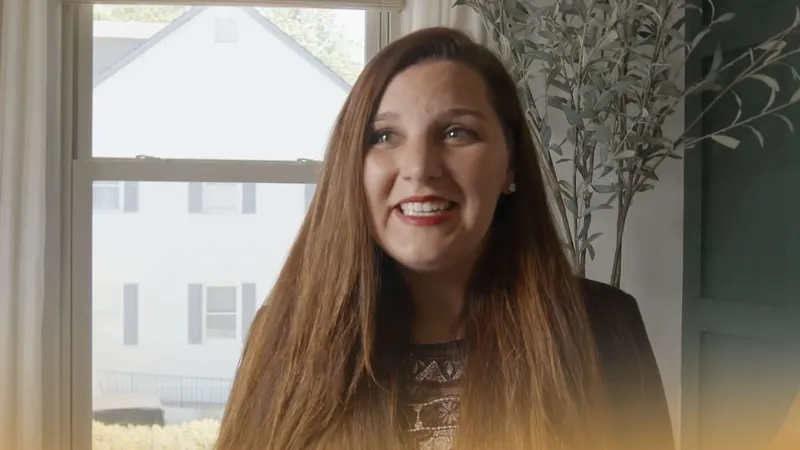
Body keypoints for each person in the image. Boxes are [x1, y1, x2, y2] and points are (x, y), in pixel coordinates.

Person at [215, 27, 675, 450]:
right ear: (351, 168)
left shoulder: (604, 329)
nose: (419, 167)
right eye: (384, 136)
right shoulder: (286, 337)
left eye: (457, 133)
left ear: (510, 166)